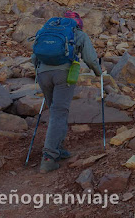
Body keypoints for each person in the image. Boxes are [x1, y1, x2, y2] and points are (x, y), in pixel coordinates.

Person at [31, 11, 102, 173]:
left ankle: (58, 148)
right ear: (78, 23)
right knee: (59, 113)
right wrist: (99, 73)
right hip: (64, 75)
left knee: (56, 111)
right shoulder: (78, 34)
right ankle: (49, 157)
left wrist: (40, 73)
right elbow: (90, 59)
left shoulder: (46, 31)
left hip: (42, 74)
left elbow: (34, 56)